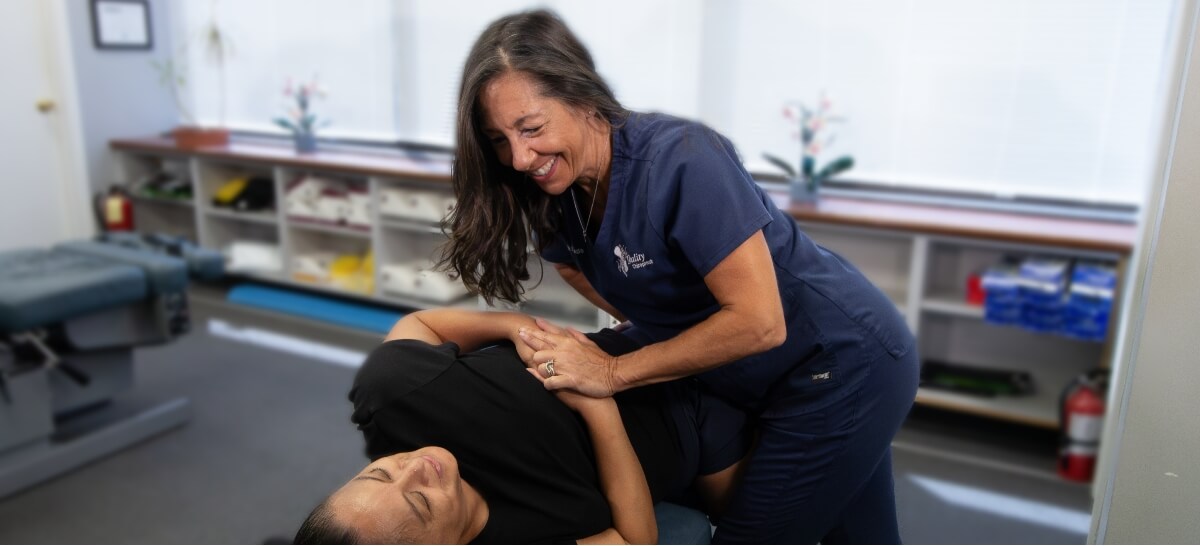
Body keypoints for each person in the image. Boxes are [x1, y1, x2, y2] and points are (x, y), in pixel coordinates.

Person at [441, 9, 921, 544]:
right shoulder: (557, 190)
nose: (520, 156)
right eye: (499, 140)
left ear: (581, 95)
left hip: (841, 360)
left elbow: (761, 322)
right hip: (751, 374)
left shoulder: (683, 161)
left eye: (531, 128)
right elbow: (575, 261)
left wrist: (612, 373)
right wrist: (657, 325)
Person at [293, 309, 750, 544]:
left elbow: (422, 324)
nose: (416, 465)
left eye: (379, 472)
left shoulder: (394, 394)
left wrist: (519, 331)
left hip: (636, 347)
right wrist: (599, 409)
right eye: (419, 501)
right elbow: (633, 541)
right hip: (696, 433)